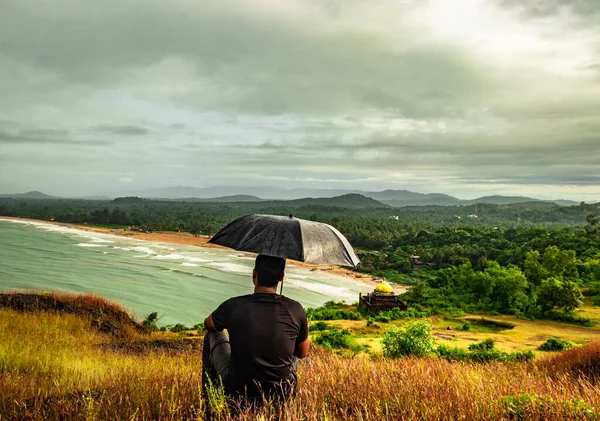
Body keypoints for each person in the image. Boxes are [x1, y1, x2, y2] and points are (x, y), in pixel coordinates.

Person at [202, 254, 310, 409]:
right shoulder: (295, 309)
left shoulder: (234, 305)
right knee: (295, 343)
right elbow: (302, 353)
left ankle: (209, 401)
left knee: (212, 334)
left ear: (254, 274)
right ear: (281, 278)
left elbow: (209, 324)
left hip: (237, 390)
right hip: (282, 392)